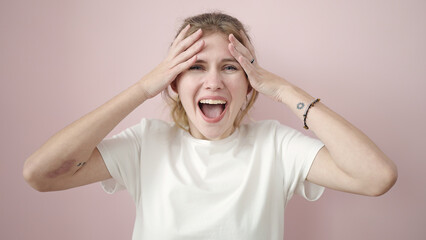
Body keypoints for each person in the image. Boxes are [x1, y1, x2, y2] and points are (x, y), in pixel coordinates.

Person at [23, 12, 397, 239]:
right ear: (174, 82)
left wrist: (284, 90)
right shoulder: (146, 144)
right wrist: (142, 88)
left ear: (250, 83)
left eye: (230, 67)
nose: (214, 82)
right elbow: (41, 174)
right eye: (196, 67)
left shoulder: (276, 146)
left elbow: (376, 177)